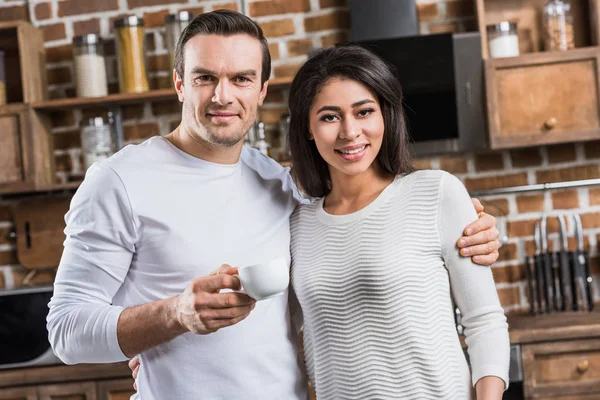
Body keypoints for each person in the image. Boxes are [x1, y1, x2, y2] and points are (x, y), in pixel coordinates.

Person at [48, 10, 502, 400]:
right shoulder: (119, 181)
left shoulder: (281, 186)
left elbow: (369, 231)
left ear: (261, 91)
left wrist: (469, 225)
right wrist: (173, 315)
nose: (223, 96)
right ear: (180, 85)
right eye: (206, 77)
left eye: (241, 79)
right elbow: (67, 332)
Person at [286, 45, 509, 400]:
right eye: (330, 117)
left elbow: (484, 321)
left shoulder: (436, 193)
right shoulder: (296, 224)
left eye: (364, 112)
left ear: (385, 117)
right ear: (307, 128)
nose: (350, 131)